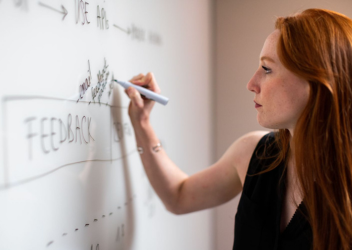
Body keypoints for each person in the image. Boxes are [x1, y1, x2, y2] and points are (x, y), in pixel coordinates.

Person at [124, 8, 352, 250]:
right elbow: (178, 196)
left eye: (267, 69)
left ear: (315, 82)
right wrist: (142, 124)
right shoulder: (255, 154)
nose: (251, 84)